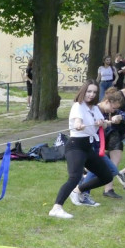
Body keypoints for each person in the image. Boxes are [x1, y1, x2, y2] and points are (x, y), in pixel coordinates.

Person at [48, 81, 115, 220]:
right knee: (75, 177)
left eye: (94, 92)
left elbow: (104, 125)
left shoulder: (95, 108)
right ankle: (56, 208)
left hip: (88, 147)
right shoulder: (78, 106)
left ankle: (78, 191)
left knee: (107, 176)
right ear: (83, 91)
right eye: (89, 91)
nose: (91, 94)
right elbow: (77, 121)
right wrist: (78, 125)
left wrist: (102, 123)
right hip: (75, 146)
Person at [74, 88, 125, 201]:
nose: (113, 111)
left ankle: (81, 190)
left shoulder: (101, 111)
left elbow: (105, 125)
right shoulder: (94, 109)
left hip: (97, 148)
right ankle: (80, 191)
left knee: (108, 171)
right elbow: (83, 125)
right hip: (91, 146)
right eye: (113, 108)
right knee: (109, 171)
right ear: (107, 101)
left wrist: (106, 123)